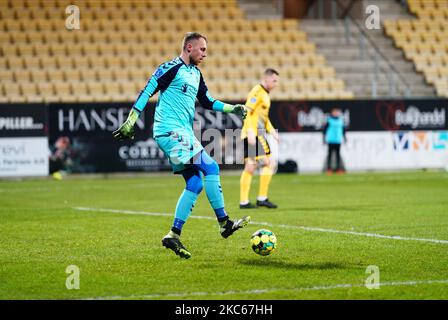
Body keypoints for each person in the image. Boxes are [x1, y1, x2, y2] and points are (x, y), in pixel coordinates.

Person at [112, 32, 250, 259]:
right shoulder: (171, 67)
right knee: (212, 168)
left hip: (182, 133)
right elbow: (147, 90)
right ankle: (224, 222)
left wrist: (232, 108)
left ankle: (173, 234)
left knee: (195, 183)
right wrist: (131, 120)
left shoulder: (196, 74)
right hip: (170, 131)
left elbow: (207, 101)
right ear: (189, 47)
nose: (205, 53)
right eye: (202, 49)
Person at [239, 68, 280, 209]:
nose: (276, 84)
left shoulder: (266, 94)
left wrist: (272, 131)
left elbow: (264, 118)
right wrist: (250, 130)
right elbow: (248, 111)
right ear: (266, 79)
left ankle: (244, 202)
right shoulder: (257, 91)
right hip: (254, 134)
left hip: (256, 133)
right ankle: (261, 198)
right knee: (269, 163)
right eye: (274, 80)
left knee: (250, 166)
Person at [323, 108, 347, 174]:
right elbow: (324, 130)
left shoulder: (340, 121)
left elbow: (343, 131)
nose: (336, 113)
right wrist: (324, 139)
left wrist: (345, 138)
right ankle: (329, 169)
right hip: (331, 140)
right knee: (330, 155)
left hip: (338, 140)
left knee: (338, 155)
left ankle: (338, 169)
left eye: (337, 112)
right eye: (335, 112)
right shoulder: (329, 121)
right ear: (332, 113)